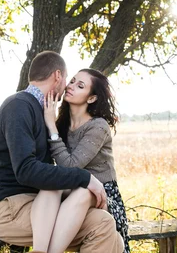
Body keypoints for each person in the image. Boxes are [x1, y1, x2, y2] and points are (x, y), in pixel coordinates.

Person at [0, 51, 124, 253]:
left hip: (38, 202)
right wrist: (84, 178)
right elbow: (26, 170)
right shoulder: (18, 106)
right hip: (10, 208)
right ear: (58, 76)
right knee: (101, 226)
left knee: (104, 223)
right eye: (68, 79)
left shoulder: (43, 112)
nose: (68, 85)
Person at [32, 68, 131, 253]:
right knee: (50, 185)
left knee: (83, 192)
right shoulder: (62, 123)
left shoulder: (98, 126)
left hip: (103, 192)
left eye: (80, 86)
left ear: (91, 98)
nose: (71, 86)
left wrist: (50, 125)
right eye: (72, 81)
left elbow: (70, 166)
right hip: (75, 187)